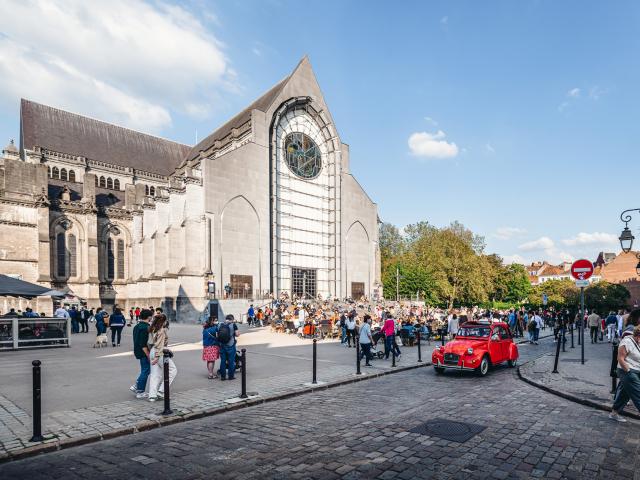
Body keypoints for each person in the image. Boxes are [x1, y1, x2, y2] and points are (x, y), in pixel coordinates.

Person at [610, 325, 640, 422]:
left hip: (637, 370)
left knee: (625, 393)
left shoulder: (638, 342)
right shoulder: (626, 342)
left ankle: (614, 413)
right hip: (627, 371)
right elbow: (620, 359)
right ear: (638, 336)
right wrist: (628, 371)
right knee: (638, 393)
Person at [147, 314, 177, 402]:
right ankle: (161, 391)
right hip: (159, 352)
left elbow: (149, 343)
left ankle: (152, 395)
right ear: (163, 321)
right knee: (173, 370)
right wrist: (157, 356)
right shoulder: (161, 331)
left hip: (152, 350)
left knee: (155, 374)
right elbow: (160, 345)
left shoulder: (152, 329)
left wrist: (152, 354)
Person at [130, 309, 152, 399]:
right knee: (146, 370)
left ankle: (137, 386)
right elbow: (143, 344)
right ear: (149, 317)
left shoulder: (137, 326)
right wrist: (148, 355)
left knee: (145, 370)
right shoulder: (145, 327)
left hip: (137, 350)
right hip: (143, 351)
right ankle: (140, 391)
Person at [218, 314, 239, 381]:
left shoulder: (220, 325)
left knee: (223, 361)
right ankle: (231, 376)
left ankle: (223, 377)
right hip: (231, 345)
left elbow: (217, 334)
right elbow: (237, 334)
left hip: (222, 345)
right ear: (232, 319)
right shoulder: (233, 325)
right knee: (231, 361)